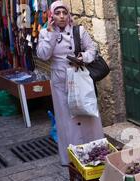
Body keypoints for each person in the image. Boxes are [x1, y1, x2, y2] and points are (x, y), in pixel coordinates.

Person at [36, 1, 104, 166]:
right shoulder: (45, 33)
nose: (61, 16)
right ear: (52, 16)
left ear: (68, 15)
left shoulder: (78, 31)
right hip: (61, 82)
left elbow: (92, 50)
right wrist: (51, 34)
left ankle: (95, 153)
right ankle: (72, 158)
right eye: (57, 13)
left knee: (88, 114)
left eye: (64, 13)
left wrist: (83, 58)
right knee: (68, 120)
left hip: (79, 78)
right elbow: (43, 55)